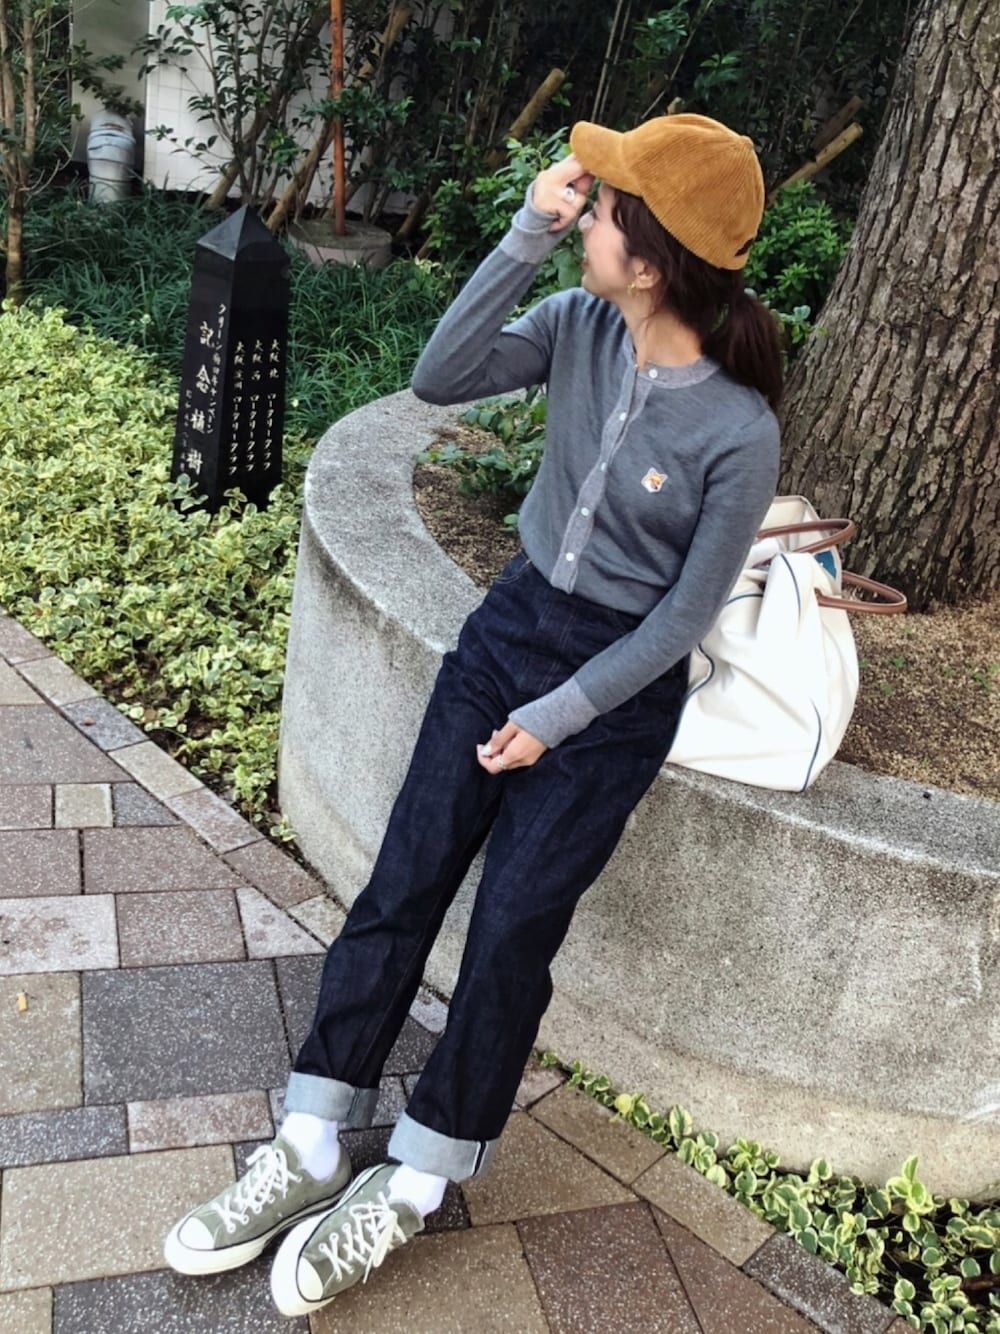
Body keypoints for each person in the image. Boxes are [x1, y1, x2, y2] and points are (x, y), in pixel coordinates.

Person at [163, 113, 782, 1316]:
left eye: (602, 208)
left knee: (507, 933)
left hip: (613, 694)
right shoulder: (578, 324)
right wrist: (522, 235)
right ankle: (310, 1135)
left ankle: (417, 1174)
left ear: (652, 258)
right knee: (405, 878)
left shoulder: (738, 430)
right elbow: (439, 377)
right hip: (509, 628)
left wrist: (559, 714)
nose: (582, 213)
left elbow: (682, 620)